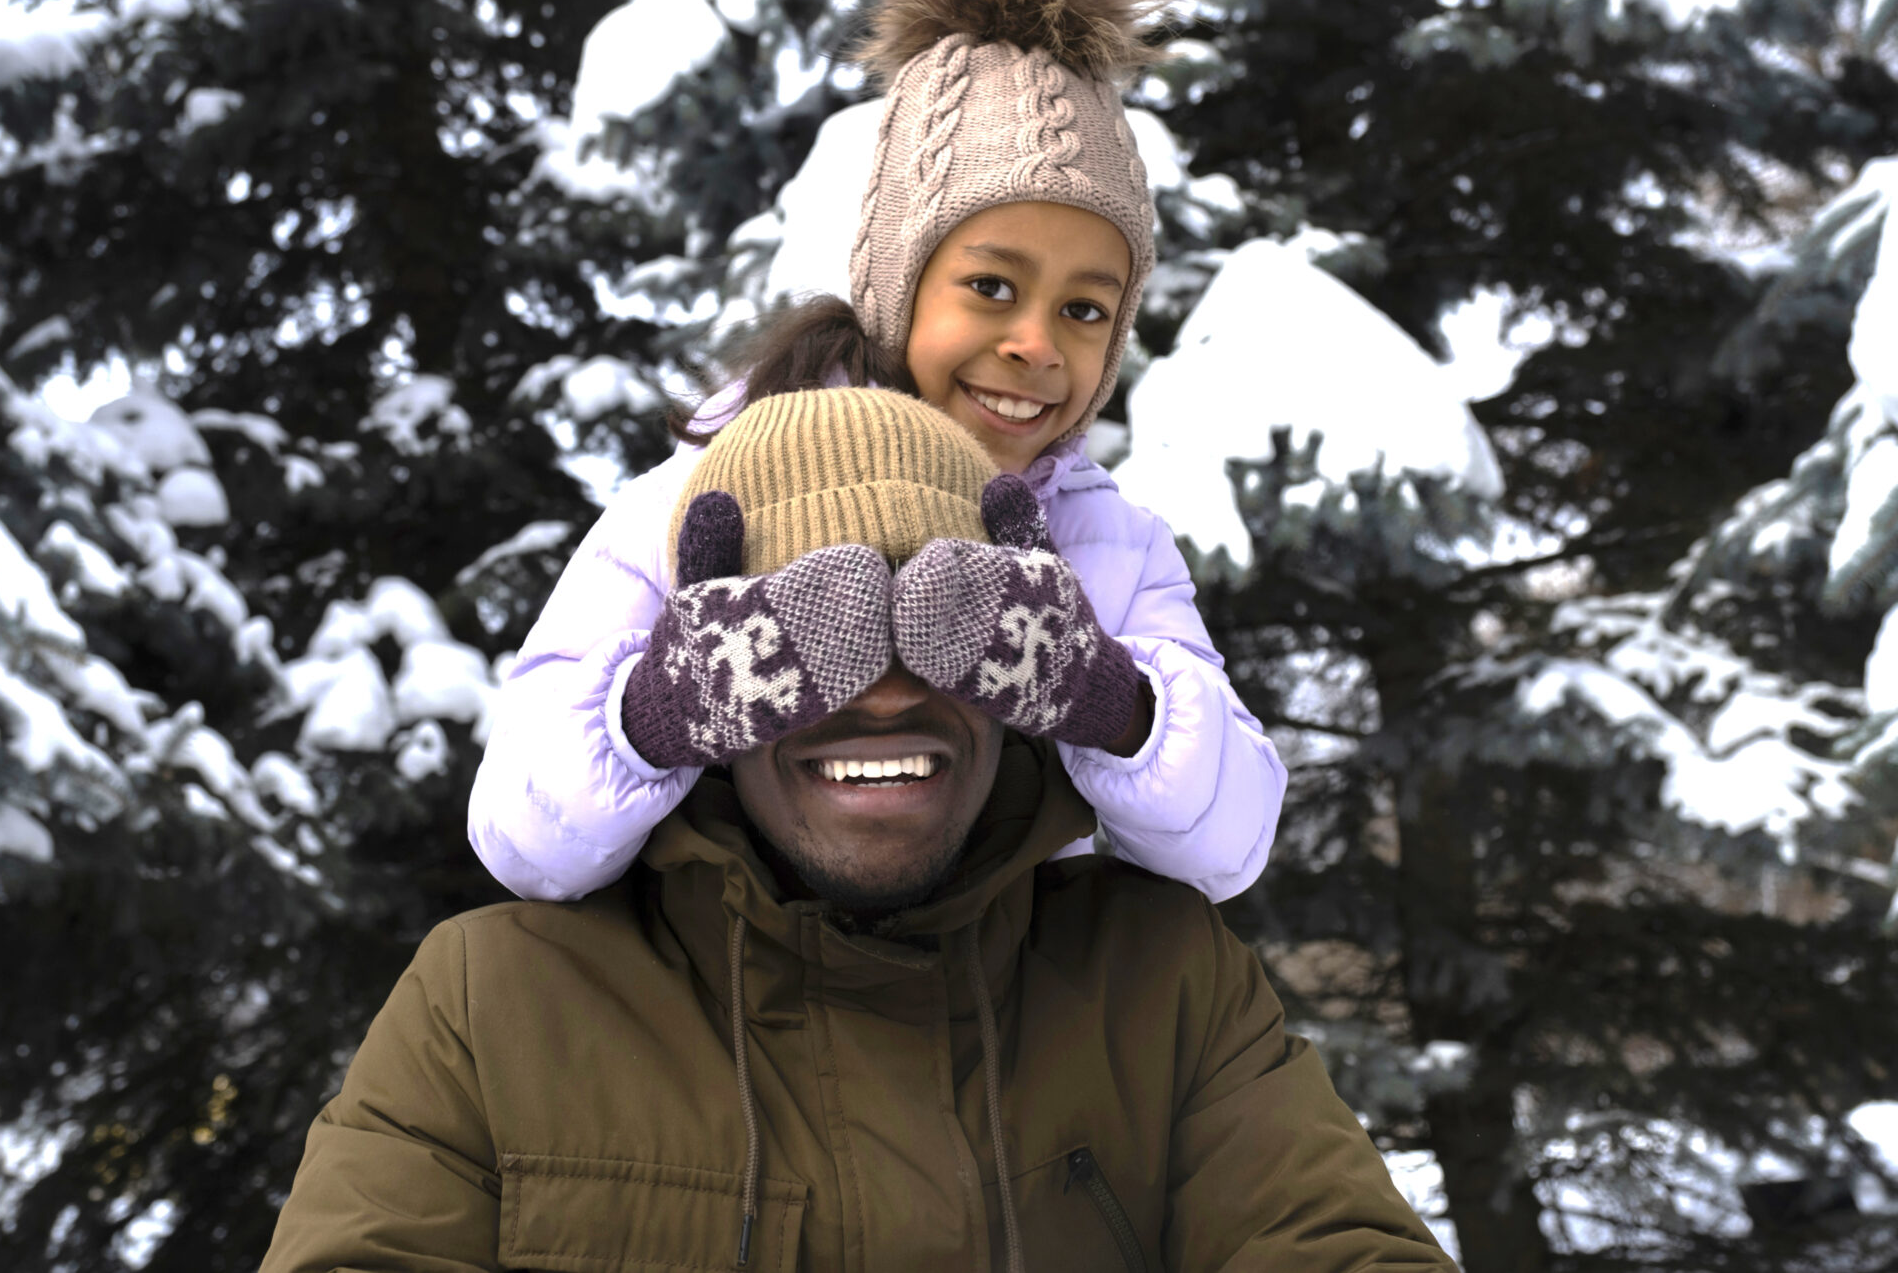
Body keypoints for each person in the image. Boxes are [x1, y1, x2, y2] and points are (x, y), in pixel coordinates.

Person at [261, 391, 1455, 1273]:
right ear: (709, 688)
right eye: (806, 647)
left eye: (941, 632)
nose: (882, 694)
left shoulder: (1160, 986)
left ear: (1019, 668)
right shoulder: (492, 1005)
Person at [468, 0, 1286, 909]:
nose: (1035, 342)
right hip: (735, 1012)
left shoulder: (1106, 545)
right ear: (898, 284)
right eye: (990, 287)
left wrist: (1108, 699)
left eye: (1083, 309)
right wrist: (659, 712)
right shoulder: (706, 498)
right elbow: (518, 839)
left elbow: (1230, 847)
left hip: (1003, 1023)